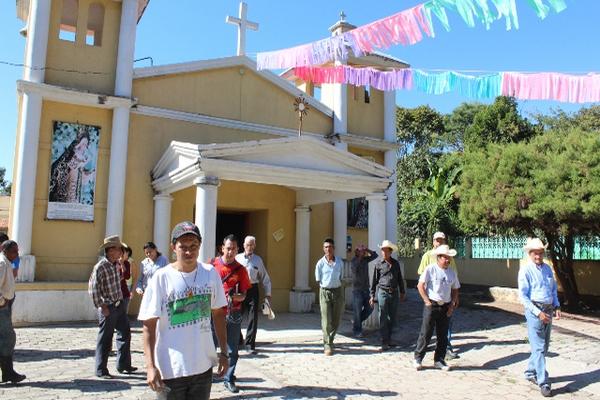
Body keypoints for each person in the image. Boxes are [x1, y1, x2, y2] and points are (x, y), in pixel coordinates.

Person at [139, 221, 228, 400]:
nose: (189, 251)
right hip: (170, 371)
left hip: (202, 369)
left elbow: (218, 314)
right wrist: (150, 367)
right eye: (183, 246)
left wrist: (224, 353)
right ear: (173, 247)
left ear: (200, 246)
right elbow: (149, 325)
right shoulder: (161, 278)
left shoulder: (210, 273)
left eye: (193, 246)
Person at [88, 235, 136, 378]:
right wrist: (102, 306)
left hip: (119, 304)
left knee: (125, 333)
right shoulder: (100, 266)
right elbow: (93, 288)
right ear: (110, 251)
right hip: (108, 307)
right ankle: (101, 370)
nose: (121, 251)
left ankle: (123, 364)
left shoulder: (116, 265)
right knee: (105, 339)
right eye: (118, 249)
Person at [518, 238, 561, 398]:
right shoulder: (525, 270)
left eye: (541, 253)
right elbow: (523, 296)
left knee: (544, 347)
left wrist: (556, 306)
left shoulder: (547, 269)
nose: (538, 256)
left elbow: (553, 289)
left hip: (548, 309)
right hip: (534, 311)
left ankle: (530, 372)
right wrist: (538, 312)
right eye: (536, 253)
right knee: (538, 347)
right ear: (530, 253)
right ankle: (543, 382)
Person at [210, 235, 251, 394]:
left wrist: (233, 297)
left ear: (237, 250)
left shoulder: (241, 270)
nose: (230, 251)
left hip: (233, 313)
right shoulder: (211, 265)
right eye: (228, 248)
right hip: (213, 313)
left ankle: (229, 378)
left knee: (232, 348)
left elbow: (244, 295)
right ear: (222, 248)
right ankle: (207, 377)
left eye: (233, 248)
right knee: (209, 346)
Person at [414, 244, 460, 372]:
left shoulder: (451, 272)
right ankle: (418, 358)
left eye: (448, 257)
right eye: (445, 257)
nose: (447, 260)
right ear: (438, 258)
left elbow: (456, 289)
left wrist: (452, 305)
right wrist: (426, 301)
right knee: (426, 333)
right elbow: (420, 285)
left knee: (443, 335)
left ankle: (439, 360)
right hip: (432, 304)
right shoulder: (430, 269)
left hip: (445, 306)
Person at [235, 235, 272, 354]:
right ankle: (238, 339)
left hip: (253, 289)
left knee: (253, 317)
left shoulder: (258, 260)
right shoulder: (237, 258)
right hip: (239, 289)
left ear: (254, 246)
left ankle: (250, 344)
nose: (249, 247)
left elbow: (265, 278)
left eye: (252, 245)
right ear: (244, 245)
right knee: (236, 316)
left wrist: (268, 294)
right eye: (247, 244)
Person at [369, 240, 406, 351]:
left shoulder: (395, 264)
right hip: (383, 292)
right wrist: (372, 295)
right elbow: (374, 281)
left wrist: (402, 291)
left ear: (390, 252)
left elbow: (399, 278)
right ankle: (384, 340)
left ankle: (389, 338)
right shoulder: (378, 264)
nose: (384, 253)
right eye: (382, 250)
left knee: (392, 317)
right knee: (383, 316)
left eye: (386, 251)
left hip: (394, 292)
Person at [0, 240, 26, 383]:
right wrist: (2, 301)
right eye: (14, 251)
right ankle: (8, 372)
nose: (17, 254)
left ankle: (7, 372)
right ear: (5, 250)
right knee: (8, 338)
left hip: (5, 305)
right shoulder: (2, 264)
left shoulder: (6, 263)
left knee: (5, 339)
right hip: (1, 307)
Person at [48, 128, 94, 203]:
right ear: (79, 143)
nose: (84, 146)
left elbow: (82, 173)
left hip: (76, 186)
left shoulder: (84, 157)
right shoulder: (73, 152)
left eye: (86, 144)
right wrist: (82, 163)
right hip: (69, 183)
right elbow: (71, 165)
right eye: (82, 143)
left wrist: (88, 172)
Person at [315, 238, 344, 356]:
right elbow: (318, 279)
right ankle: (327, 344)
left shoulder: (340, 262)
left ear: (334, 248)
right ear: (323, 249)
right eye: (326, 247)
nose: (328, 249)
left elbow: (341, 277)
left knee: (336, 320)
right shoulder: (320, 264)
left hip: (337, 292)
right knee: (326, 320)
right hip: (325, 292)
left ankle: (331, 339)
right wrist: (325, 288)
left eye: (330, 247)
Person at [350, 245, 377, 337]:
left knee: (370, 308)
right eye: (360, 250)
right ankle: (357, 330)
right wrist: (361, 256)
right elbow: (355, 268)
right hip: (357, 290)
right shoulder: (354, 261)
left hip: (366, 289)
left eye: (363, 251)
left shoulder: (366, 260)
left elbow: (375, 255)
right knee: (357, 311)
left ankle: (356, 321)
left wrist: (367, 249)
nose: (363, 252)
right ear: (356, 252)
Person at [118, 244, 133, 313]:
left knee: (123, 315)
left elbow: (127, 276)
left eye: (128, 254)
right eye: (126, 253)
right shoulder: (113, 262)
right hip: (115, 295)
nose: (127, 256)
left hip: (124, 294)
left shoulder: (127, 263)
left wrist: (122, 264)